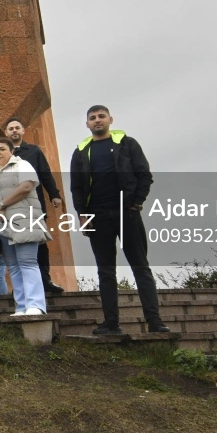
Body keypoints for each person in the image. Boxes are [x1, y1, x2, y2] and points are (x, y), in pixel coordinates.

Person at [70, 105, 169, 335]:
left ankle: (154, 321)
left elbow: (144, 174)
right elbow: (76, 186)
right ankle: (111, 323)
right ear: (87, 124)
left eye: (101, 116)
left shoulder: (127, 143)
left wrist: (136, 202)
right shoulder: (81, 151)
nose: (97, 121)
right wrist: (82, 214)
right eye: (92, 118)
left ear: (110, 119)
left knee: (140, 267)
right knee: (105, 271)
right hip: (97, 217)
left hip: (127, 213)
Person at [0, 137, 48, 317]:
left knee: (28, 262)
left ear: (11, 151)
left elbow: (26, 187)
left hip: (25, 220)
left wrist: (0, 205)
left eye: (2, 149)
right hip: (1, 224)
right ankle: (22, 306)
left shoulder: (22, 165)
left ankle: (36, 305)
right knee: (13, 266)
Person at [5, 117, 66, 296]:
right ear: (6, 133)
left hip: (33, 206)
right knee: (14, 244)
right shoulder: (3, 153)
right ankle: (22, 284)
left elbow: (45, 173)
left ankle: (45, 279)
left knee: (39, 243)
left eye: (17, 128)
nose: (14, 131)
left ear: (23, 131)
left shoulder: (34, 151)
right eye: (11, 129)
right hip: (10, 208)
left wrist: (54, 194)